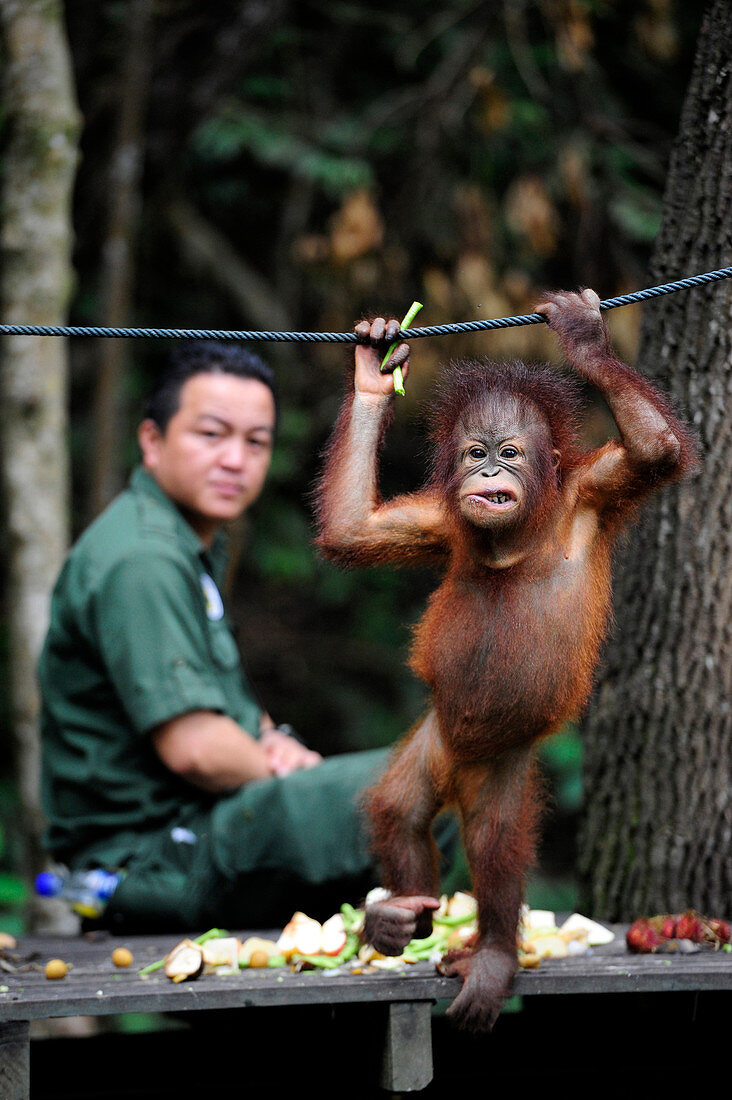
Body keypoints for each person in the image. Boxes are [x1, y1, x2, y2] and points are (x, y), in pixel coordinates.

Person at [38, 341, 459, 934]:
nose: (235, 459)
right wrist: (286, 774)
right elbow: (197, 747)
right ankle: (438, 1013)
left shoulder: (184, 539)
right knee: (436, 788)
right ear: (152, 441)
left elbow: (214, 695)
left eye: (255, 441)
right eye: (211, 434)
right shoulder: (142, 558)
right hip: (155, 856)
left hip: (197, 829)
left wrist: (269, 737)